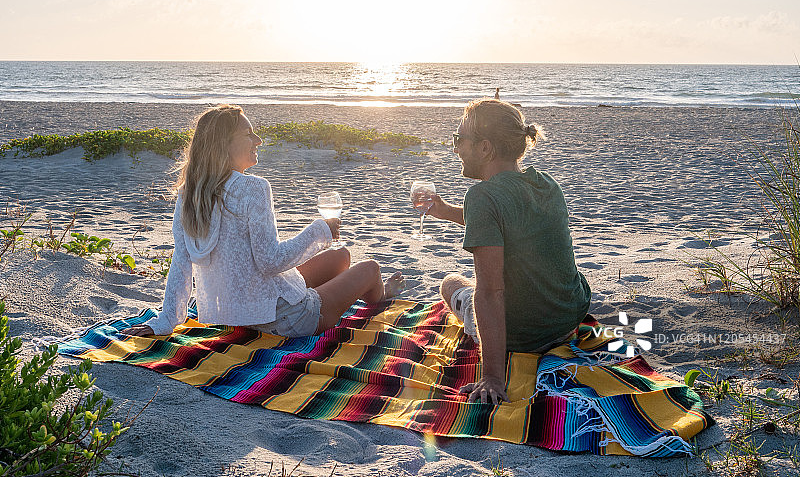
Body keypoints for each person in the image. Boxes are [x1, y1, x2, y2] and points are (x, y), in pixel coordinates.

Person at [123, 104, 403, 339]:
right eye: (248, 134)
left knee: (340, 256)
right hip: (284, 320)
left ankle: (331, 290)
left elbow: (181, 264)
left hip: (232, 314)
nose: (258, 140)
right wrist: (320, 230)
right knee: (370, 269)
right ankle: (379, 297)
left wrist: (166, 320)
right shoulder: (253, 188)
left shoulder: (189, 194)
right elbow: (270, 260)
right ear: (225, 145)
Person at [423, 98, 590, 405]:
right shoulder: (546, 184)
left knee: (450, 283)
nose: (455, 148)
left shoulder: (483, 196)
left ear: (485, 148)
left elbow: (489, 293)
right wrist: (445, 211)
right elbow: (506, 223)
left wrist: (492, 377)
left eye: (459, 140)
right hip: (568, 321)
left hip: (524, 336)